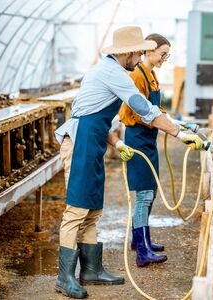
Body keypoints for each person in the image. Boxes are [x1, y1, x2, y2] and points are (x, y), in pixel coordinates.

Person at [54, 26, 205, 299]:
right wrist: (179, 133)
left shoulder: (112, 71)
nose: (141, 55)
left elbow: (94, 118)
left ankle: (91, 269)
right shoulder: (115, 74)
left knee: (91, 212)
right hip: (80, 145)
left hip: (93, 141)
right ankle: (64, 278)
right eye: (139, 51)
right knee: (76, 210)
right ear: (128, 53)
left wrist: (117, 143)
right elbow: (144, 110)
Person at [119, 33, 194, 267]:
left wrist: (180, 123)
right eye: (162, 54)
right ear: (149, 51)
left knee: (149, 191)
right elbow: (143, 113)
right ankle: (142, 251)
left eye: (166, 55)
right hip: (138, 139)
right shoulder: (136, 76)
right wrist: (176, 132)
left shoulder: (150, 75)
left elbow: (156, 109)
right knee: (144, 195)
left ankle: (141, 240)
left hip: (148, 140)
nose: (164, 58)